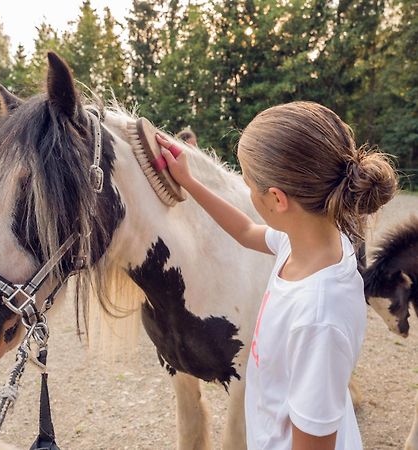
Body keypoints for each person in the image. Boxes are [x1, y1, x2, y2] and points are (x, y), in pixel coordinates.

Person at [156, 101, 397, 450]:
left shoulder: (318, 317)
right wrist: (189, 182)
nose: (246, 192)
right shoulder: (309, 242)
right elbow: (245, 231)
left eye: (248, 184)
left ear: (277, 199)